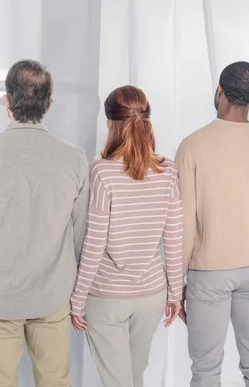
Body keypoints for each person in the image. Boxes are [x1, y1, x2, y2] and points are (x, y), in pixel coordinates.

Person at [0, 59, 89, 387]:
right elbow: (81, 233)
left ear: (7, 101)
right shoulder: (74, 158)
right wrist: (80, 292)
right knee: (55, 382)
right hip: (54, 297)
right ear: (49, 105)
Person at [175, 61, 249, 387]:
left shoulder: (192, 146)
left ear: (219, 91)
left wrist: (176, 281)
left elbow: (184, 220)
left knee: (206, 368)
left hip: (208, 270)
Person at [69, 85, 183, 387]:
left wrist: (77, 299)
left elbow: (94, 243)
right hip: (152, 295)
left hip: (107, 296)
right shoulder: (168, 170)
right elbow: (174, 239)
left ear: (112, 124)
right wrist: (175, 293)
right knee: (134, 378)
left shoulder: (102, 172)